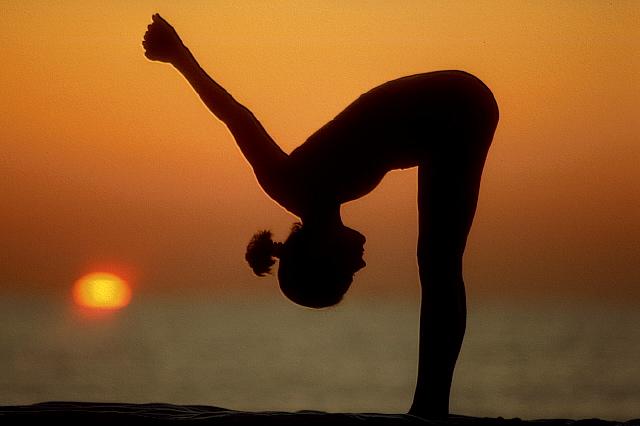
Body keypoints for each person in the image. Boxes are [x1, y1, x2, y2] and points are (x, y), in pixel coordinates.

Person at [142, 13, 499, 417]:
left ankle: (430, 407)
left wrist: (179, 56)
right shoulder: (315, 194)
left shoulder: (287, 183)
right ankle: (430, 404)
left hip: (451, 108)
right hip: (451, 111)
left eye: (346, 273)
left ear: (319, 255)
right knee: (438, 263)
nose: (360, 265)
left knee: (438, 264)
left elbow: (235, 116)